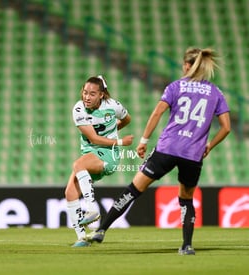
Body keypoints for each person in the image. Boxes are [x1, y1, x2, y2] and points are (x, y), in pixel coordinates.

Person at [86, 48, 231, 255]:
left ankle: (101, 230)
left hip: (167, 148)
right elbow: (226, 127)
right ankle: (186, 246)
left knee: (134, 189)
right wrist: (209, 145)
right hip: (193, 154)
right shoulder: (216, 92)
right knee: (186, 199)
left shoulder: (176, 86)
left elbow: (157, 112)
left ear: (188, 66)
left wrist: (143, 141)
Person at [65, 75, 133, 247]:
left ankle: (92, 209)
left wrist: (114, 131)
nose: (87, 97)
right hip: (92, 153)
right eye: (85, 92)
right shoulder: (79, 109)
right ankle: (82, 238)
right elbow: (94, 139)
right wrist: (120, 141)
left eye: (92, 94)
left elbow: (127, 118)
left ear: (101, 95)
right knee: (70, 193)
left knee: (78, 164)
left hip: (109, 155)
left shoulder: (113, 106)